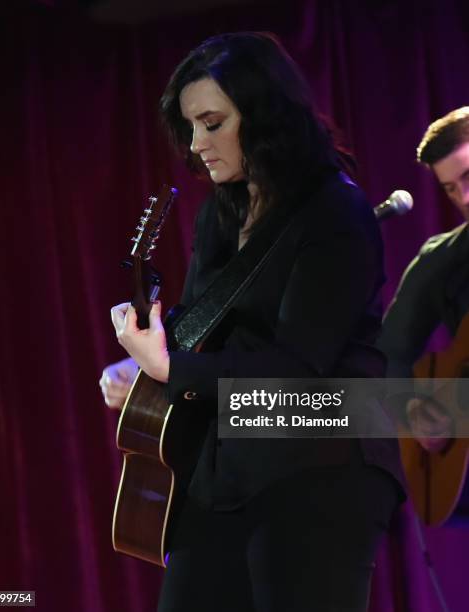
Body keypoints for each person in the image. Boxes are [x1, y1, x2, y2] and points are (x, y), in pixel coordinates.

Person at [101, 32, 404, 612]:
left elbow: (297, 369)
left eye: (213, 123)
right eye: (190, 127)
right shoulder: (221, 215)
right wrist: (143, 362)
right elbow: (197, 331)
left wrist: (173, 366)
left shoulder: (336, 213)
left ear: (264, 115)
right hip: (228, 465)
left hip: (319, 461)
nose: (197, 145)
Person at [377, 107, 469, 453]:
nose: (464, 198)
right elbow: (386, 356)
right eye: (449, 188)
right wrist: (412, 407)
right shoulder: (441, 259)